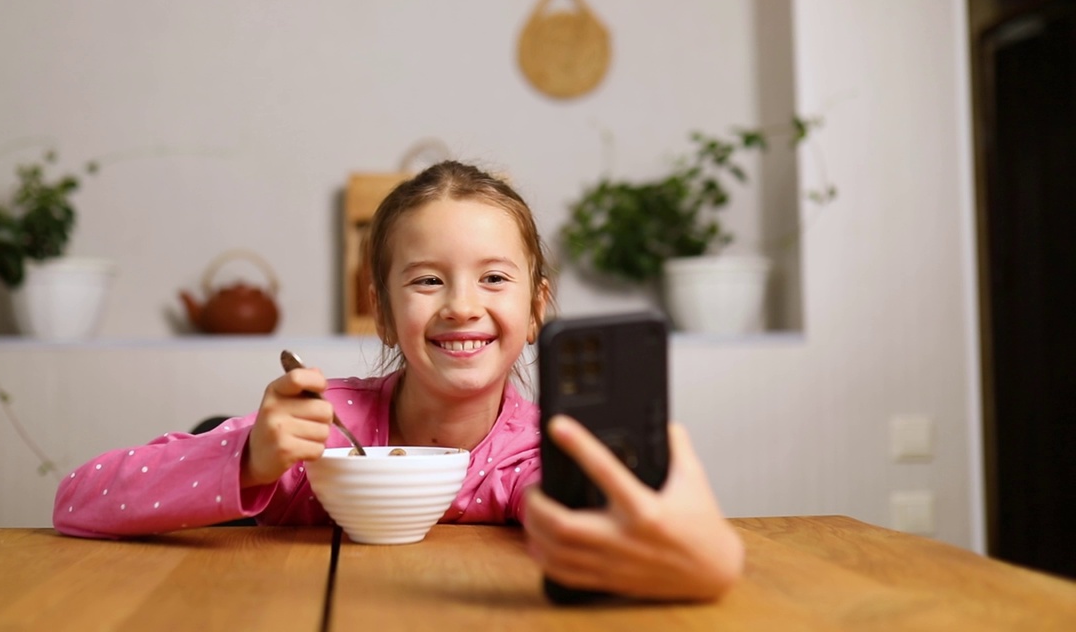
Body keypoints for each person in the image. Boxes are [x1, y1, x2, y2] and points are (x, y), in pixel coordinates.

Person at [53, 160, 743, 601]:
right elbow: (76, 500)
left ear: (536, 310)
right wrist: (249, 459)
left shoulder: (539, 452)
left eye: (495, 278)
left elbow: (578, 526)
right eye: (427, 280)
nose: (462, 304)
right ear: (382, 314)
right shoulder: (317, 433)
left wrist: (709, 562)